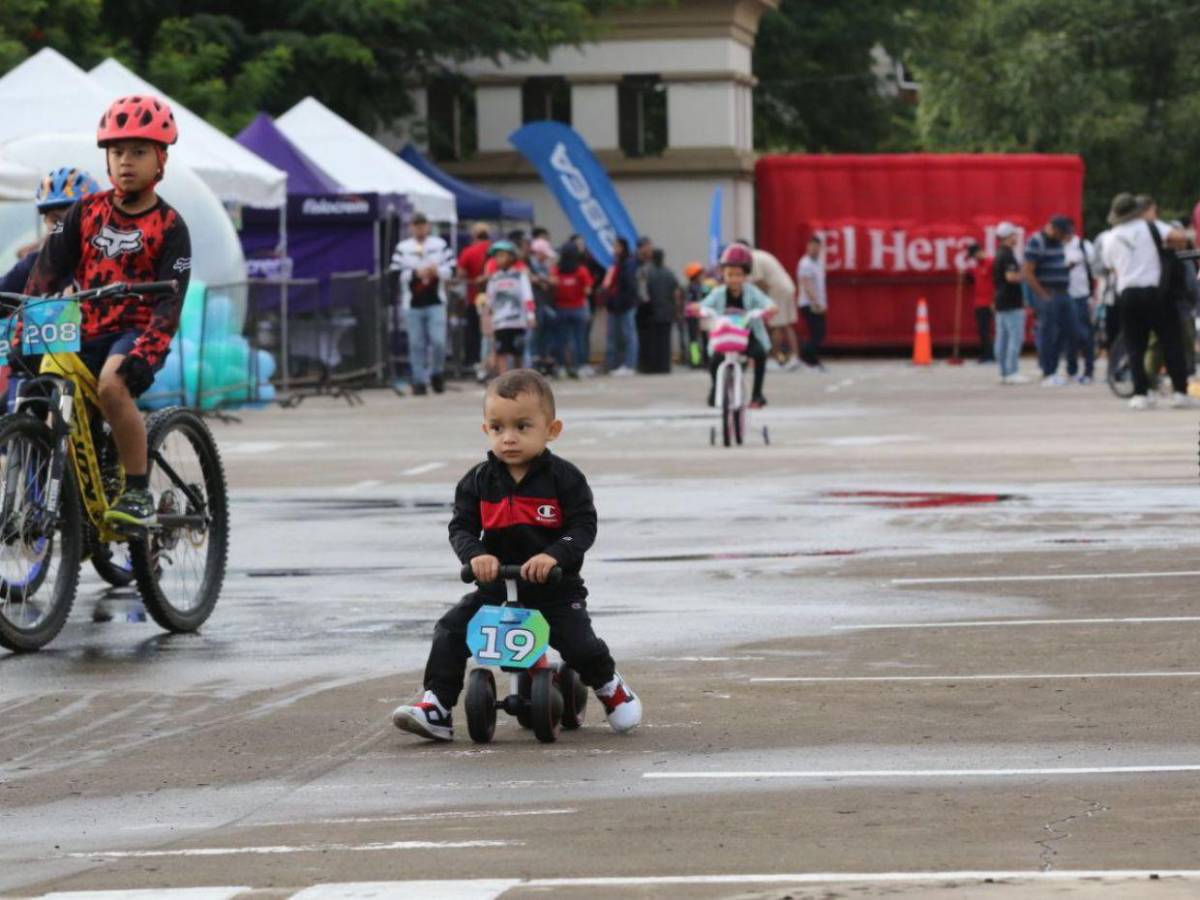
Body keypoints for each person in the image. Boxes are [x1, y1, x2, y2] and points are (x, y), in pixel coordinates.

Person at [391, 369, 642, 741]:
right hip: (497, 590)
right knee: (450, 630)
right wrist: (476, 555)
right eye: (497, 428)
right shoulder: (478, 481)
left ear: (551, 430)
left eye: (522, 427)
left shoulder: (564, 479)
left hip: (555, 590)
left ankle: (609, 686)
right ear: (486, 430)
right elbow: (460, 527)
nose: (508, 438)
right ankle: (438, 707)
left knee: (579, 645)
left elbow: (583, 527)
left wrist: (555, 555)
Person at [21, 95, 191, 530]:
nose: (126, 162)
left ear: (161, 160)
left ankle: (136, 491)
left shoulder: (171, 226)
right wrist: (22, 323)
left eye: (138, 151)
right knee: (45, 392)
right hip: (81, 330)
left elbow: (170, 303)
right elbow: (44, 278)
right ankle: (70, 490)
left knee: (113, 387)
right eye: (117, 152)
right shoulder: (83, 211)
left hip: (134, 332)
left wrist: (147, 352)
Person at [1101, 192, 1190, 409]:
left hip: (1128, 294)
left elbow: (1111, 267)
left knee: (1134, 345)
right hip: (1156, 292)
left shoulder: (1110, 236)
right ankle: (1179, 392)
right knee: (1171, 341)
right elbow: (1180, 238)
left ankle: (1141, 393)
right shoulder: (1151, 227)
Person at [0, 168, 102, 296]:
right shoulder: (34, 264)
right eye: (55, 220)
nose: (65, 227)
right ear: (45, 222)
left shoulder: (110, 265)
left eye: (74, 218)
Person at [701, 244, 776, 408]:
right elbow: (704, 305)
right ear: (723, 274)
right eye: (730, 274)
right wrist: (698, 309)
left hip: (746, 336)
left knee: (760, 354)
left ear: (746, 275)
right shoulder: (718, 292)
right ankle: (715, 389)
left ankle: (757, 395)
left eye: (738, 275)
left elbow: (767, 302)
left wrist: (769, 309)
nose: (734, 279)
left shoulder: (751, 291)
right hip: (724, 336)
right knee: (714, 360)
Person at [392, 212, 453, 395]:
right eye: (416, 225)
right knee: (416, 343)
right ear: (411, 227)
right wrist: (415, 273)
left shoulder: (439, 244)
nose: (420, 228)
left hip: (436, 300)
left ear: (428, 226)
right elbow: (395, 273)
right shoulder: (403, 247)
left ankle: (436, 373)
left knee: (438, 341)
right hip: (413, 302)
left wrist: (437, 271)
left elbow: (452, 268)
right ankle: (419, 380)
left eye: (423, 224)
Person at [1022, 215, 1075, 386]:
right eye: (1061, 233)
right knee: (1048, 333)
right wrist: (1041, 294)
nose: (1063, 237)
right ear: (1052, 228)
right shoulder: (1036, 242)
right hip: (1048, 294)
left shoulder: (1057, 242)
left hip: (1062, 292)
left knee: (1065, 331)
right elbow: (1028, 271)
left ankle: (1054, 368)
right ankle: (1048, 372)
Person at [479, 240, 534, 375]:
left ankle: (518, 381)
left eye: (502, 255)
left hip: (518, 321)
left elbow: (528, 296)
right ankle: (503, 381)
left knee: (517, 353)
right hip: (500, 323)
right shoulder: (494, 279)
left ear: (511, 257)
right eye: (497, 256)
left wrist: (531, 316)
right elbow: (489, 300)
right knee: (501, 353)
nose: (499, 259)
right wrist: (486, 320)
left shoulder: (520, 276)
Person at [742, 242, 798, 370]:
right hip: (787, 287)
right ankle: (795, 357)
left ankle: (774, 358)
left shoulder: (752, 258)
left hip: (777, 290)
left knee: (776, 326)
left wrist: (760, 302)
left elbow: (760, 283)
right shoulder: (760, 255)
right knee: (786, 324)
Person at [549, 242, 593, 378]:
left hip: (561, 309)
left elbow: (552, 284)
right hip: (578, 308)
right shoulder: (581, 270)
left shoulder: (556, 269)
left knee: (561, 340)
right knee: (579, 339)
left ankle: (561, 367)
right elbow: (588, 290)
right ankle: (579, 366)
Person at [991, 222, 1027, 384]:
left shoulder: (999, 253)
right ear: (1008, 237)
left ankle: (1003, 372)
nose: (1016, 238)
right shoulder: (1008, 255)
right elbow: (1011, 277)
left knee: (1002, 338)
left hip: (1001, 301)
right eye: (1014, 235)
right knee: (1014, 337)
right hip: (1011, 302)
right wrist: (1025, 275)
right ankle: (1012, 372)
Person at [1063, 228, 1098, 384]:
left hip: (1082, 295)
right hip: (1064, 295)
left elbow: (1095, 266)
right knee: (1069, 335)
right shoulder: (1059, 246)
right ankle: (1072, 370)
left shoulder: (1084, 246)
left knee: (1085, 335)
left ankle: (1089, 370)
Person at [456, 223, 492, 376]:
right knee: (492, 333)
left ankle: (478, 363)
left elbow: (460, 274)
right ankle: (492, 363)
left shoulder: (468, 252)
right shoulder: (496, 250)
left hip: (475, 299)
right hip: (496, 300)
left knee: (476, 333)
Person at [602, 236, 639, 375]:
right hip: (614, 306)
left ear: (622, 247)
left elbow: (629, 286)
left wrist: (622, 302)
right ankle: (614, 364)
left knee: (628, 335)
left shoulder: (628, 263)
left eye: (616, 246)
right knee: (614, 336)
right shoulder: (615, 263)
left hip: (625, 306)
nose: (614, 249)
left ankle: (629, 365)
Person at [639, 248, 680, 374]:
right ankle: (665, 366)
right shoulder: (669, 273)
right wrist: (676, 310)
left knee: (652, 341)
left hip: (652, 312)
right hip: (667, 312)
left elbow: (643, 294)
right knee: (665, 341)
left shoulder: (647, 273)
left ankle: (652, 366)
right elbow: (676, 293)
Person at [959, 242, 995, 364]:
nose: (973, 259)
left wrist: (994, 300)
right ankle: (986, 354)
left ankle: (990, 355)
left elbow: (997, 282)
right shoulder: (976, 267)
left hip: (989, 302)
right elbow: (972, 280)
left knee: (989, 329)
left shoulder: (991, 263)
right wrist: (964, 275)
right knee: (982, 330)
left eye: (974, 256)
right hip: (978, 302)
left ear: (979, 252)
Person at [796, 235, 827, 371]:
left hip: (819, 303)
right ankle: (807, 358)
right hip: (808, 304)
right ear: (808, 247)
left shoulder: (819, 262)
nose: (814, 249)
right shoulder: (805, 263)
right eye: (812, 246)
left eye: (817, 246)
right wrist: (815, 302)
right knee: (817, 333)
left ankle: (812, 360)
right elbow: (807, 284)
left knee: (819, 333)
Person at [681, 262, 708, 368]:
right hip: (693, 317)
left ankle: (705, 359)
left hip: (702, 316)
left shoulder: (703, 287)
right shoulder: (691, 288)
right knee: (694, 340)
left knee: (704, 338)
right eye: (700, 274)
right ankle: (696, 360)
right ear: (695, 276)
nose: (702, 276)